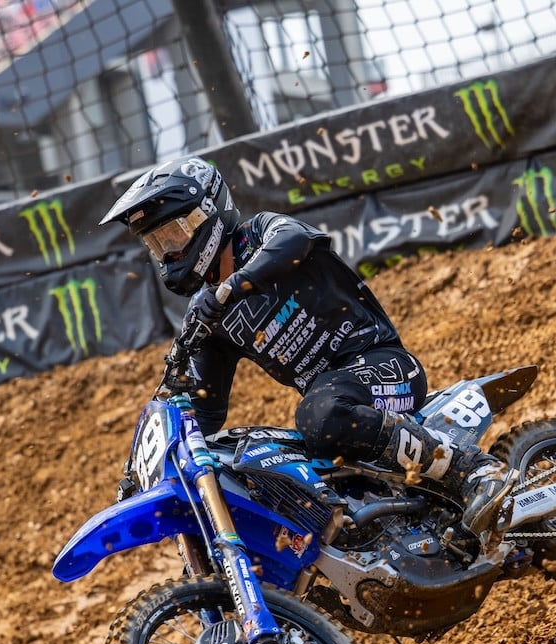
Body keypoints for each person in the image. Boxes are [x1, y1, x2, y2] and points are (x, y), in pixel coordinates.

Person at [100, 155, 512, 543]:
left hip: (386, 367)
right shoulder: (209, 315)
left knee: (319, 417)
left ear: (207, 214)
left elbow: (295, 240)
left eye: (174, 235)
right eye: (157, 244)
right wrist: (157, 464)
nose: (169, 252)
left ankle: (474, 471)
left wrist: (231, 288)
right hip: (332, 396)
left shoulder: (262, 233)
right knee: (249, 456)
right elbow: (205, 410)